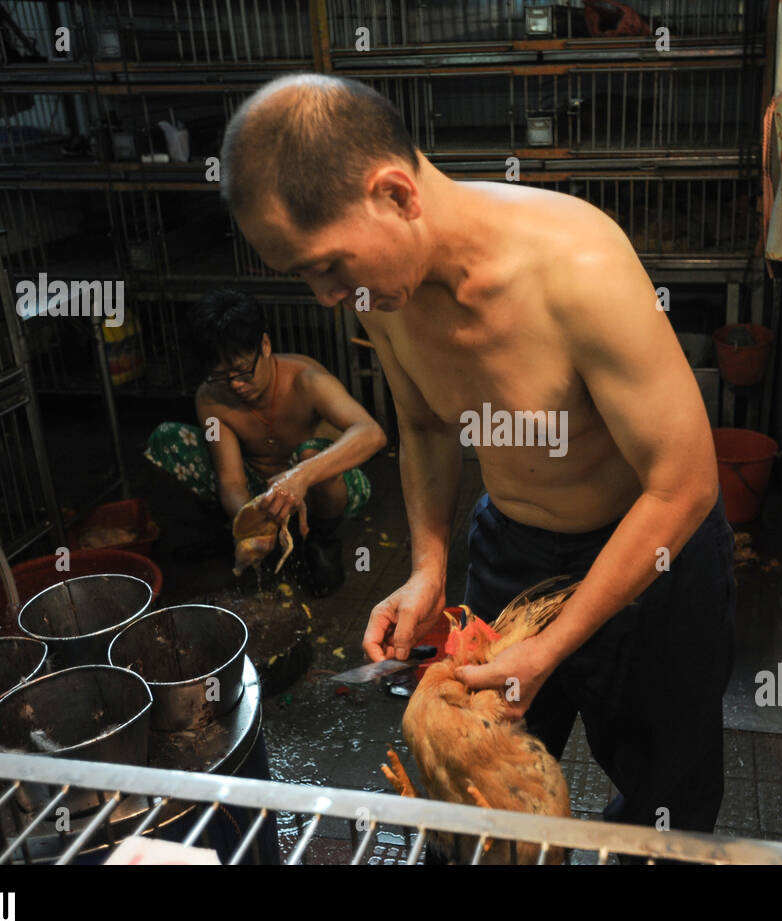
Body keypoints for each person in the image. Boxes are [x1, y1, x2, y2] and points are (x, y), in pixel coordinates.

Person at [220, 74, 736, 835]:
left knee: (665, 810)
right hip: (514, 549)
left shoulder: (578, 267)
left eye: (327, 265)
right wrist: (428, 566)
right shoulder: (380, 298)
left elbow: (685, 483)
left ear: (395, 194)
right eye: (304, 276)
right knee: (475, 792)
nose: (329, 297)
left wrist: (556, 645)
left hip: (651, 556)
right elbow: (426, 427)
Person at [143, 289, 385, 595]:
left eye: (243, 371)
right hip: (264, 491)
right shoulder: (211, 397)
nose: (236, 385)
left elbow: (371, 432)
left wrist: (301, 477)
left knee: (309, 452)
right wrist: (251, 524)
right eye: (222, 376)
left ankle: (321, 540)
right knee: (168, 439)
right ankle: (235, 532)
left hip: (322, 487)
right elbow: (231, 480)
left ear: (265, 345)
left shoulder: (307, 379)